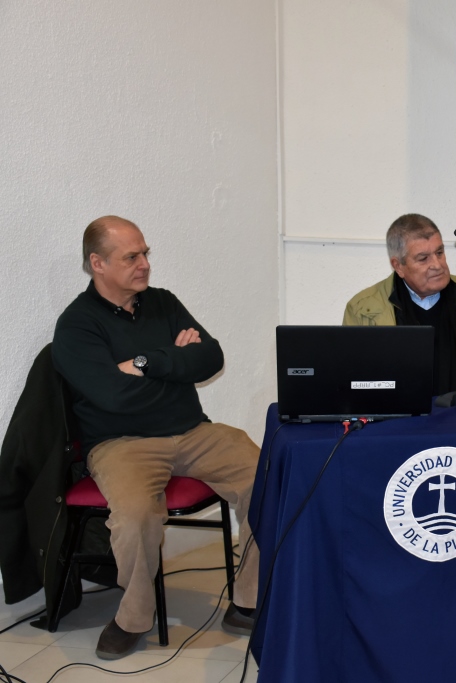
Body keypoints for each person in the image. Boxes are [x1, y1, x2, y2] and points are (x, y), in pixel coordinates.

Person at [51, 216, 260, 660]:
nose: (145, 264)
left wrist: (143, 362)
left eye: (145, 253)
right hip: (121, 444)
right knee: (136, 513)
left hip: (192, 431)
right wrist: (175, 360)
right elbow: (111, 396)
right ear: (97, 263)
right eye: (132, 256)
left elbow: (210, 357)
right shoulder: (76, 326)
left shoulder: (162, 303)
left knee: (267, 476)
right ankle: (133, 617)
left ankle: (249, 600)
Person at [343, 213, 456, 396]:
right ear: (398, 266)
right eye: (423, 258)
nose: (437, 264)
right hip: (401, 424)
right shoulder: (364, 310)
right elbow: (348, 380)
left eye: (439, 252)